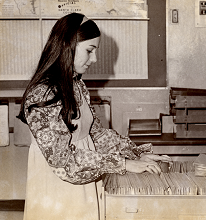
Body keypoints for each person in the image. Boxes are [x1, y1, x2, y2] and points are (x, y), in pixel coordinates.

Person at [17, 12, 171, 220]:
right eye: (90, 51)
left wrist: (135, 155)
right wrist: (123, 164)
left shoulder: (76, 84)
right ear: (67, 45)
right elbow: (64, 163)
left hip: (85, 181)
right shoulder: (43, 94)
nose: (95, 59)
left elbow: (96, 135)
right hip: (59, 189)